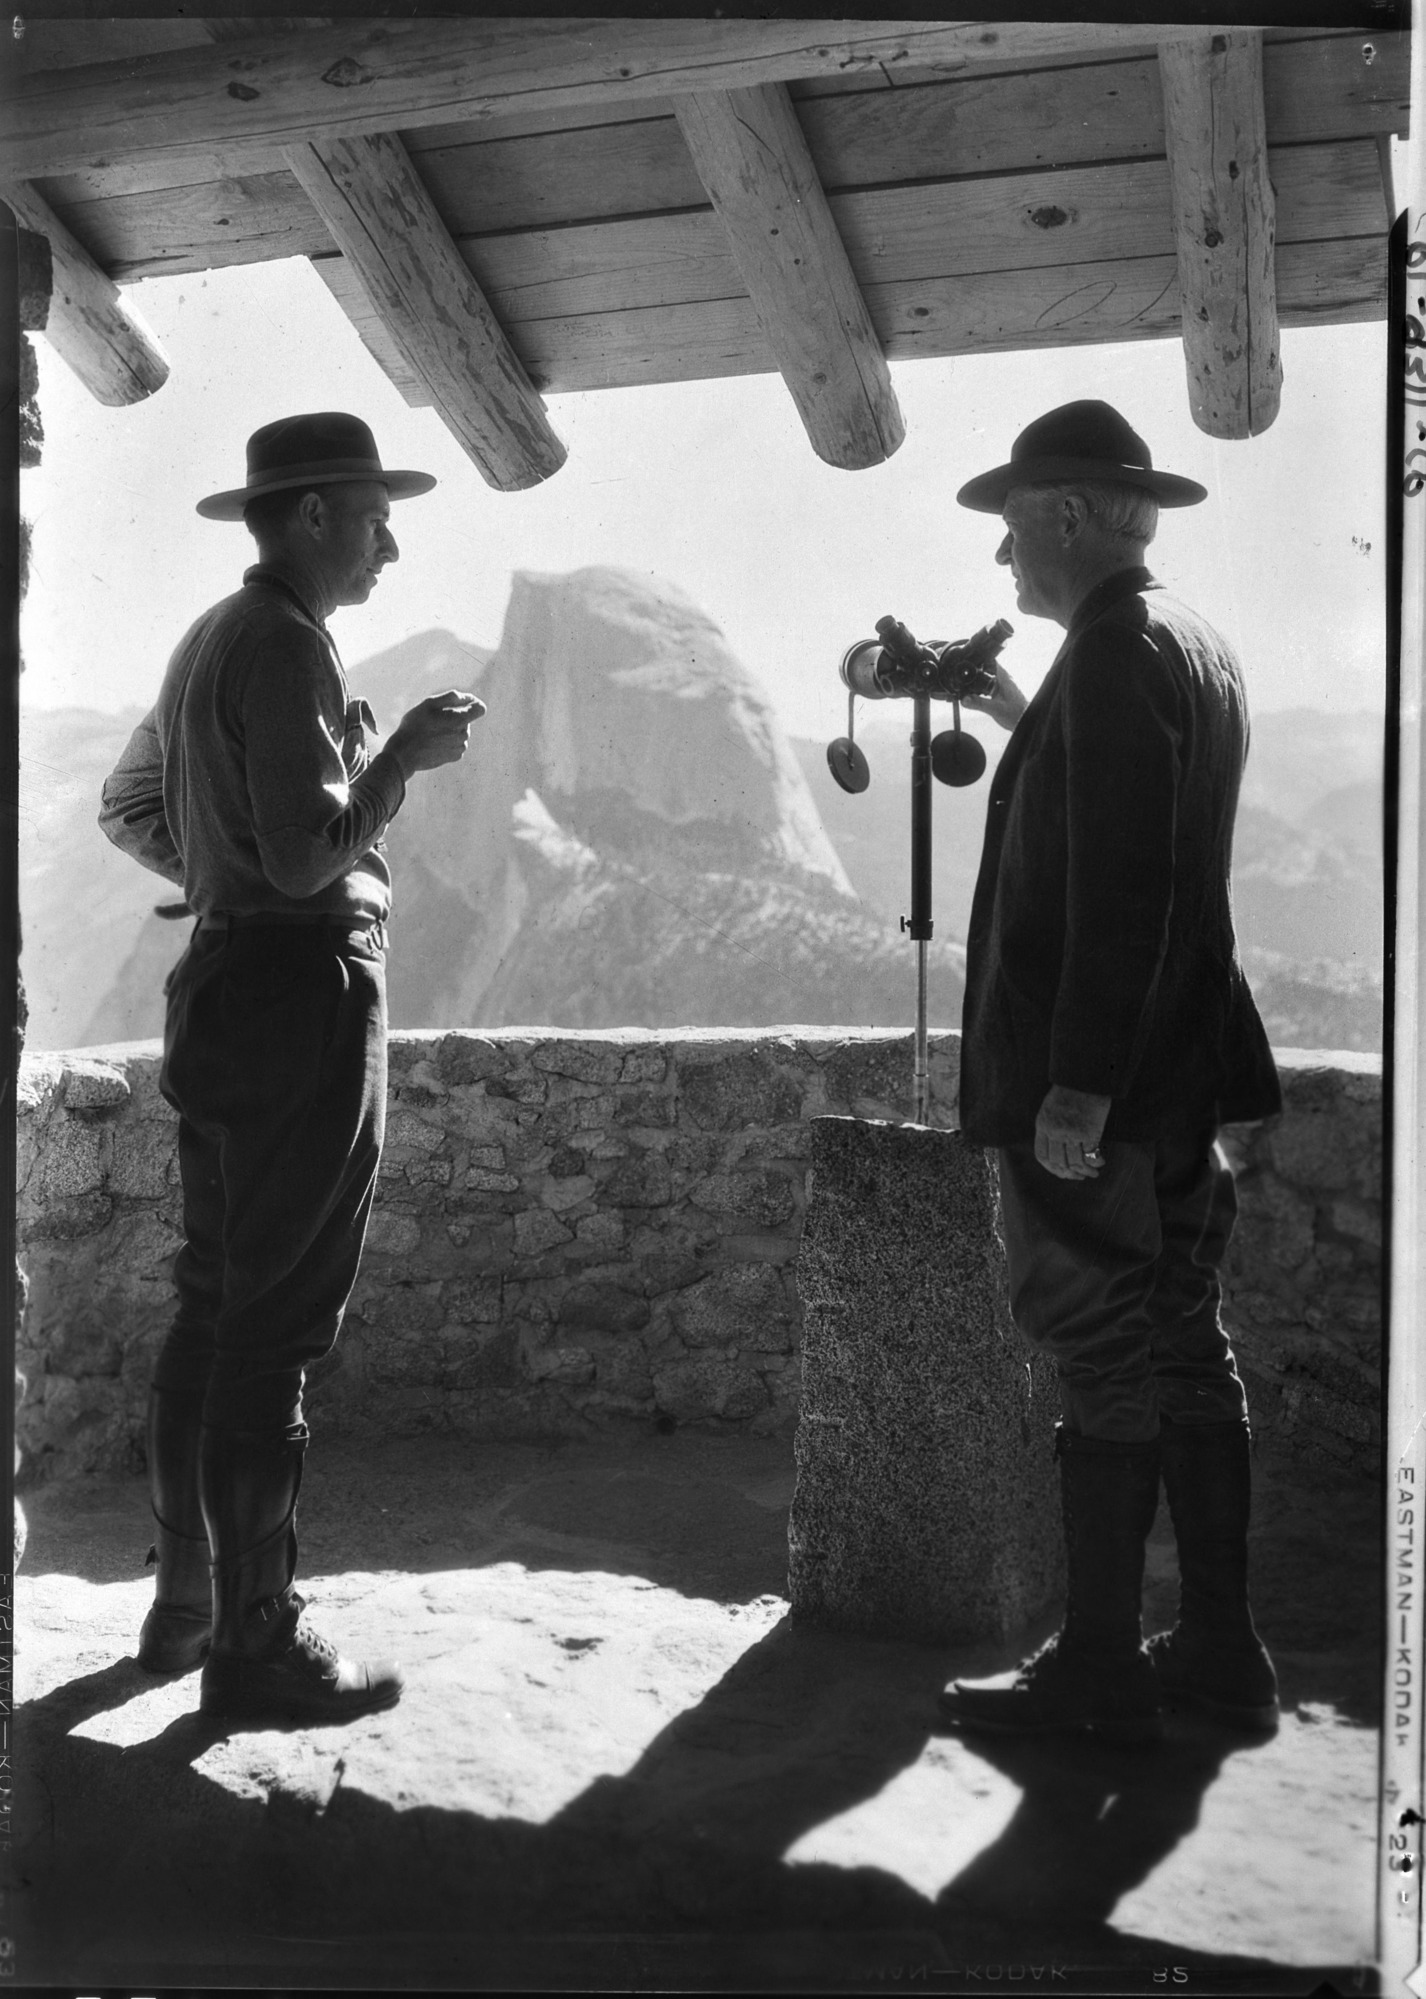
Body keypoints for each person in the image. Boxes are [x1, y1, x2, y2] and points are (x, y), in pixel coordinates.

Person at [99, 412, 483, 1724]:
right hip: (302, 995)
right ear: (314, 514)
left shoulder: (211, 636)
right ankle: (256, 1651)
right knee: (275, 1329)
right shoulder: (285, 645)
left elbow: (129, 805)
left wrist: (218, 874)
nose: (390, 539)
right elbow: (316, 858)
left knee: (212, 1304)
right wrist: (399, 766)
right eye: (375, 513)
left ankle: (185, 1608)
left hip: (220, 988)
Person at [936, 400, 1283, 1745]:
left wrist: (1071, 1083)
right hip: (1187, 1078)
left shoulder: (1114, 649)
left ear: (1066, 514)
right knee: (1184, 1344)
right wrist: (1025, 715)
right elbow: (1134, 824)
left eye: (1012, 526)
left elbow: (1120, 890)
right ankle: (1217, 1650)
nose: (1000, 560)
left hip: (1105, 1093)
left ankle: (1092, 1667)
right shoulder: (1181, 644)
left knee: (1098, 1350)